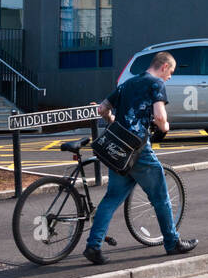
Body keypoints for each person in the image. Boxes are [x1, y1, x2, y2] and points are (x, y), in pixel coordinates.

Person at [84, 51, 197, 263]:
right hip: (139, 149)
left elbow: (102, 109)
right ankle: (172, 243)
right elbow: (160, 117)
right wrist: (165, 127)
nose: (170, 77)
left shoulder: (127, 83)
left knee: (111, 199)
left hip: (119, 149)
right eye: (170, 72)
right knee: (161, 198)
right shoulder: (156, 84)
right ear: (163, 67)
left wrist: (113, 120)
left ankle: (93, 246)